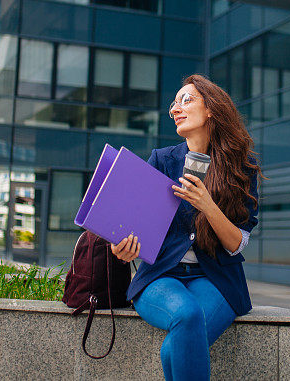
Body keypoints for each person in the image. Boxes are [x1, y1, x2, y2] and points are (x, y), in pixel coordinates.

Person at [110, 74, 264, 381]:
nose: (176, 109)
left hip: (216, 277)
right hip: (161, 275)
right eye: (173, 105)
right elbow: (137, 224)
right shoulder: (162, 160)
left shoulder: (241, 167)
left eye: (186, 100)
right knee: (186, 315)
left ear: (211, 109)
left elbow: (237, 243)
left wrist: (207, 204)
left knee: (174, 348)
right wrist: (122, 247)